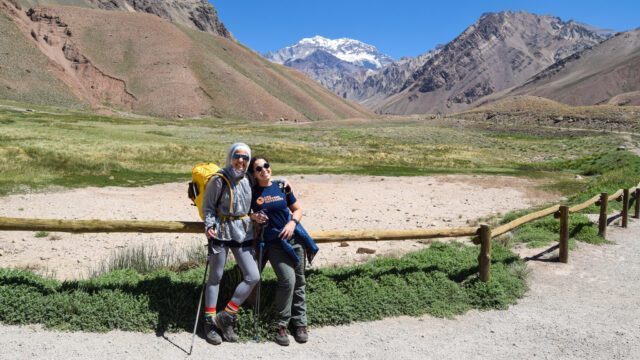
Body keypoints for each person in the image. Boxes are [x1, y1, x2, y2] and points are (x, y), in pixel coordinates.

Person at [248, 156, 309, 346]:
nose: (264, 170)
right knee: (287, 280)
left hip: (294, 239)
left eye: (266, 166)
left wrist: (292, 222)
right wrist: (253, 217)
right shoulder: (251, 191)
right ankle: (281, 324)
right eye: (258, 169)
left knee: (299, 281)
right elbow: (245, 212)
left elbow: (298, 209)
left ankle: (300, 323)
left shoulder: (282, 186)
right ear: (254, 174)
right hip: (274, 243)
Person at [202, 143, 259, 345]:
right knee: (215, 277)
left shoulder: (249, 179)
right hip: (221, 230)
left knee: (253, 276)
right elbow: (208, 207)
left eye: (245, 158)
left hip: (243, 231)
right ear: (230, 157)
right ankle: (209, 323)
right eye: (237, 156)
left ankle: (225, 316)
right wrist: (209, 225)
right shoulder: (218, 180)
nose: (241, 161)